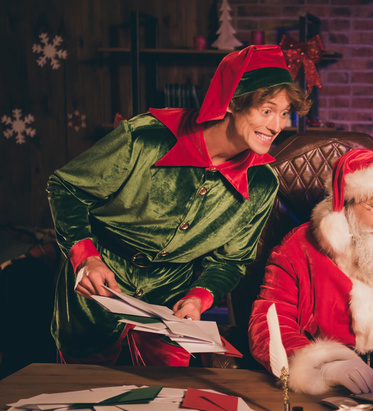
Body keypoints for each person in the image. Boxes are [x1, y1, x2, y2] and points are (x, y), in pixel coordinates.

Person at [47, 45, 311, 366]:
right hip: (97, 291)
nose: (277, 125)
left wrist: (198, 297)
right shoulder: (146, 139)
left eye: (284, 114)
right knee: (79, 398)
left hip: (170, 306)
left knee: (167, 406)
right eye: (267, 110)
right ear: (231, 102)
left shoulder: (262, 182)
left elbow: (231, 261)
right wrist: (85, 257)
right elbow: (66, 188)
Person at [248, 149, 373, 394]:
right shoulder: (298, 247)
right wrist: (326, 366)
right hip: (329, 391)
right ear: (344, 207)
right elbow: (267, 322)